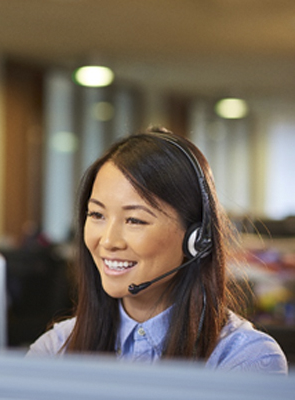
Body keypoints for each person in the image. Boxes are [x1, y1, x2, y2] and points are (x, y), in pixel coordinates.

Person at [27, 127, 288, 374]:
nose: (108, 241)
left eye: (135, 220)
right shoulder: (55, 348)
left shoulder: (245, 358)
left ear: (196, 238)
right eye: (96, 214)